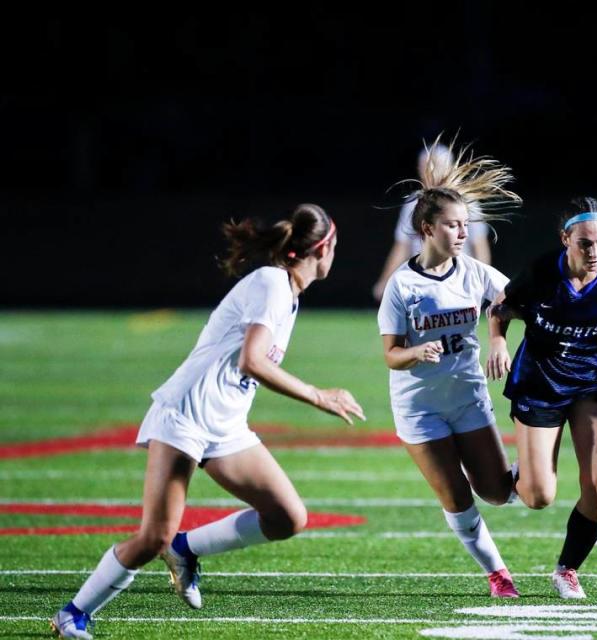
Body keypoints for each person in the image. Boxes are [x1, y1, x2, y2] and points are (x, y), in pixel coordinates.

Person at [51, 204, 365, 639]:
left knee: (287, 516)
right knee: (151, 539)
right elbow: (252, 361)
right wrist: (318, 395)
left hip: (225, 423)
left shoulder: (287, 292)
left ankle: (186, 548)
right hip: (186, 416)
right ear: (323, 248)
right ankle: (73, 614)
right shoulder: (273, 285)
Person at [486, 196, 597, 599]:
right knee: (537, 497)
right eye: (585, 243)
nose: (595, 251)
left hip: (590, 382)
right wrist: (497, 344)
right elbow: (499, 311)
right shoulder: (540, 274)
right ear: (566, 238)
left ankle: (567, 569)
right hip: (539, 382)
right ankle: (521, 473)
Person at [377, 141, 522, 598]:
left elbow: (513, 301)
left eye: (465, 225)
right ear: (426, 228)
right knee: (457, 498)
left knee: (498, 493)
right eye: (452, 225)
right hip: (419, 409)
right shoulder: (403, 285)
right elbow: (390, 353)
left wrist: (497, 337)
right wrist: (415, 353)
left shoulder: (474, 272)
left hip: (466, 399)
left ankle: (533, 468)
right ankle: (498, 575)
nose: (462, 233)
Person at [372, 143, 492, 301]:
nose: (428, 171)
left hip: (456, 282)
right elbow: (402, 245)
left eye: (434, 165)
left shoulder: (466, 202)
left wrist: (483, 283)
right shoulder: (413, 203)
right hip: (420, 282)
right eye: (424, 166)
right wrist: (385, 281)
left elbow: (479, 244)